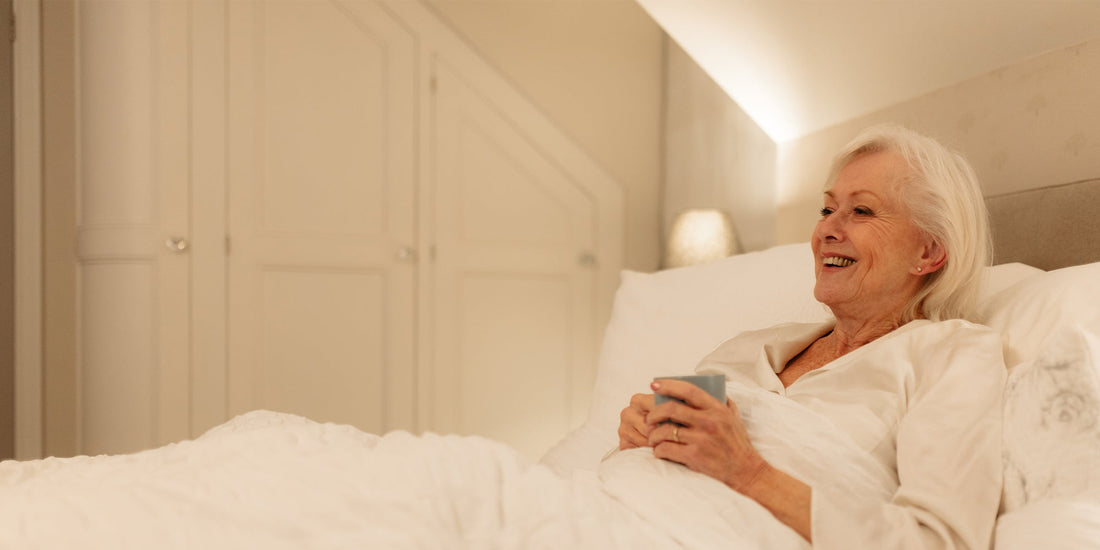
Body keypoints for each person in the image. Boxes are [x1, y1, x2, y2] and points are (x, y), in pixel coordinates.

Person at [617, 125, 1005, 548]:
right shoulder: (747, 348)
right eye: (826, 210)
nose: (827, 231)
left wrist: (749, 472)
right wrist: (641, 437)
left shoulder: (951, 355)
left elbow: (939, 542)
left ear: (928, 252)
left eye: (862, 211)